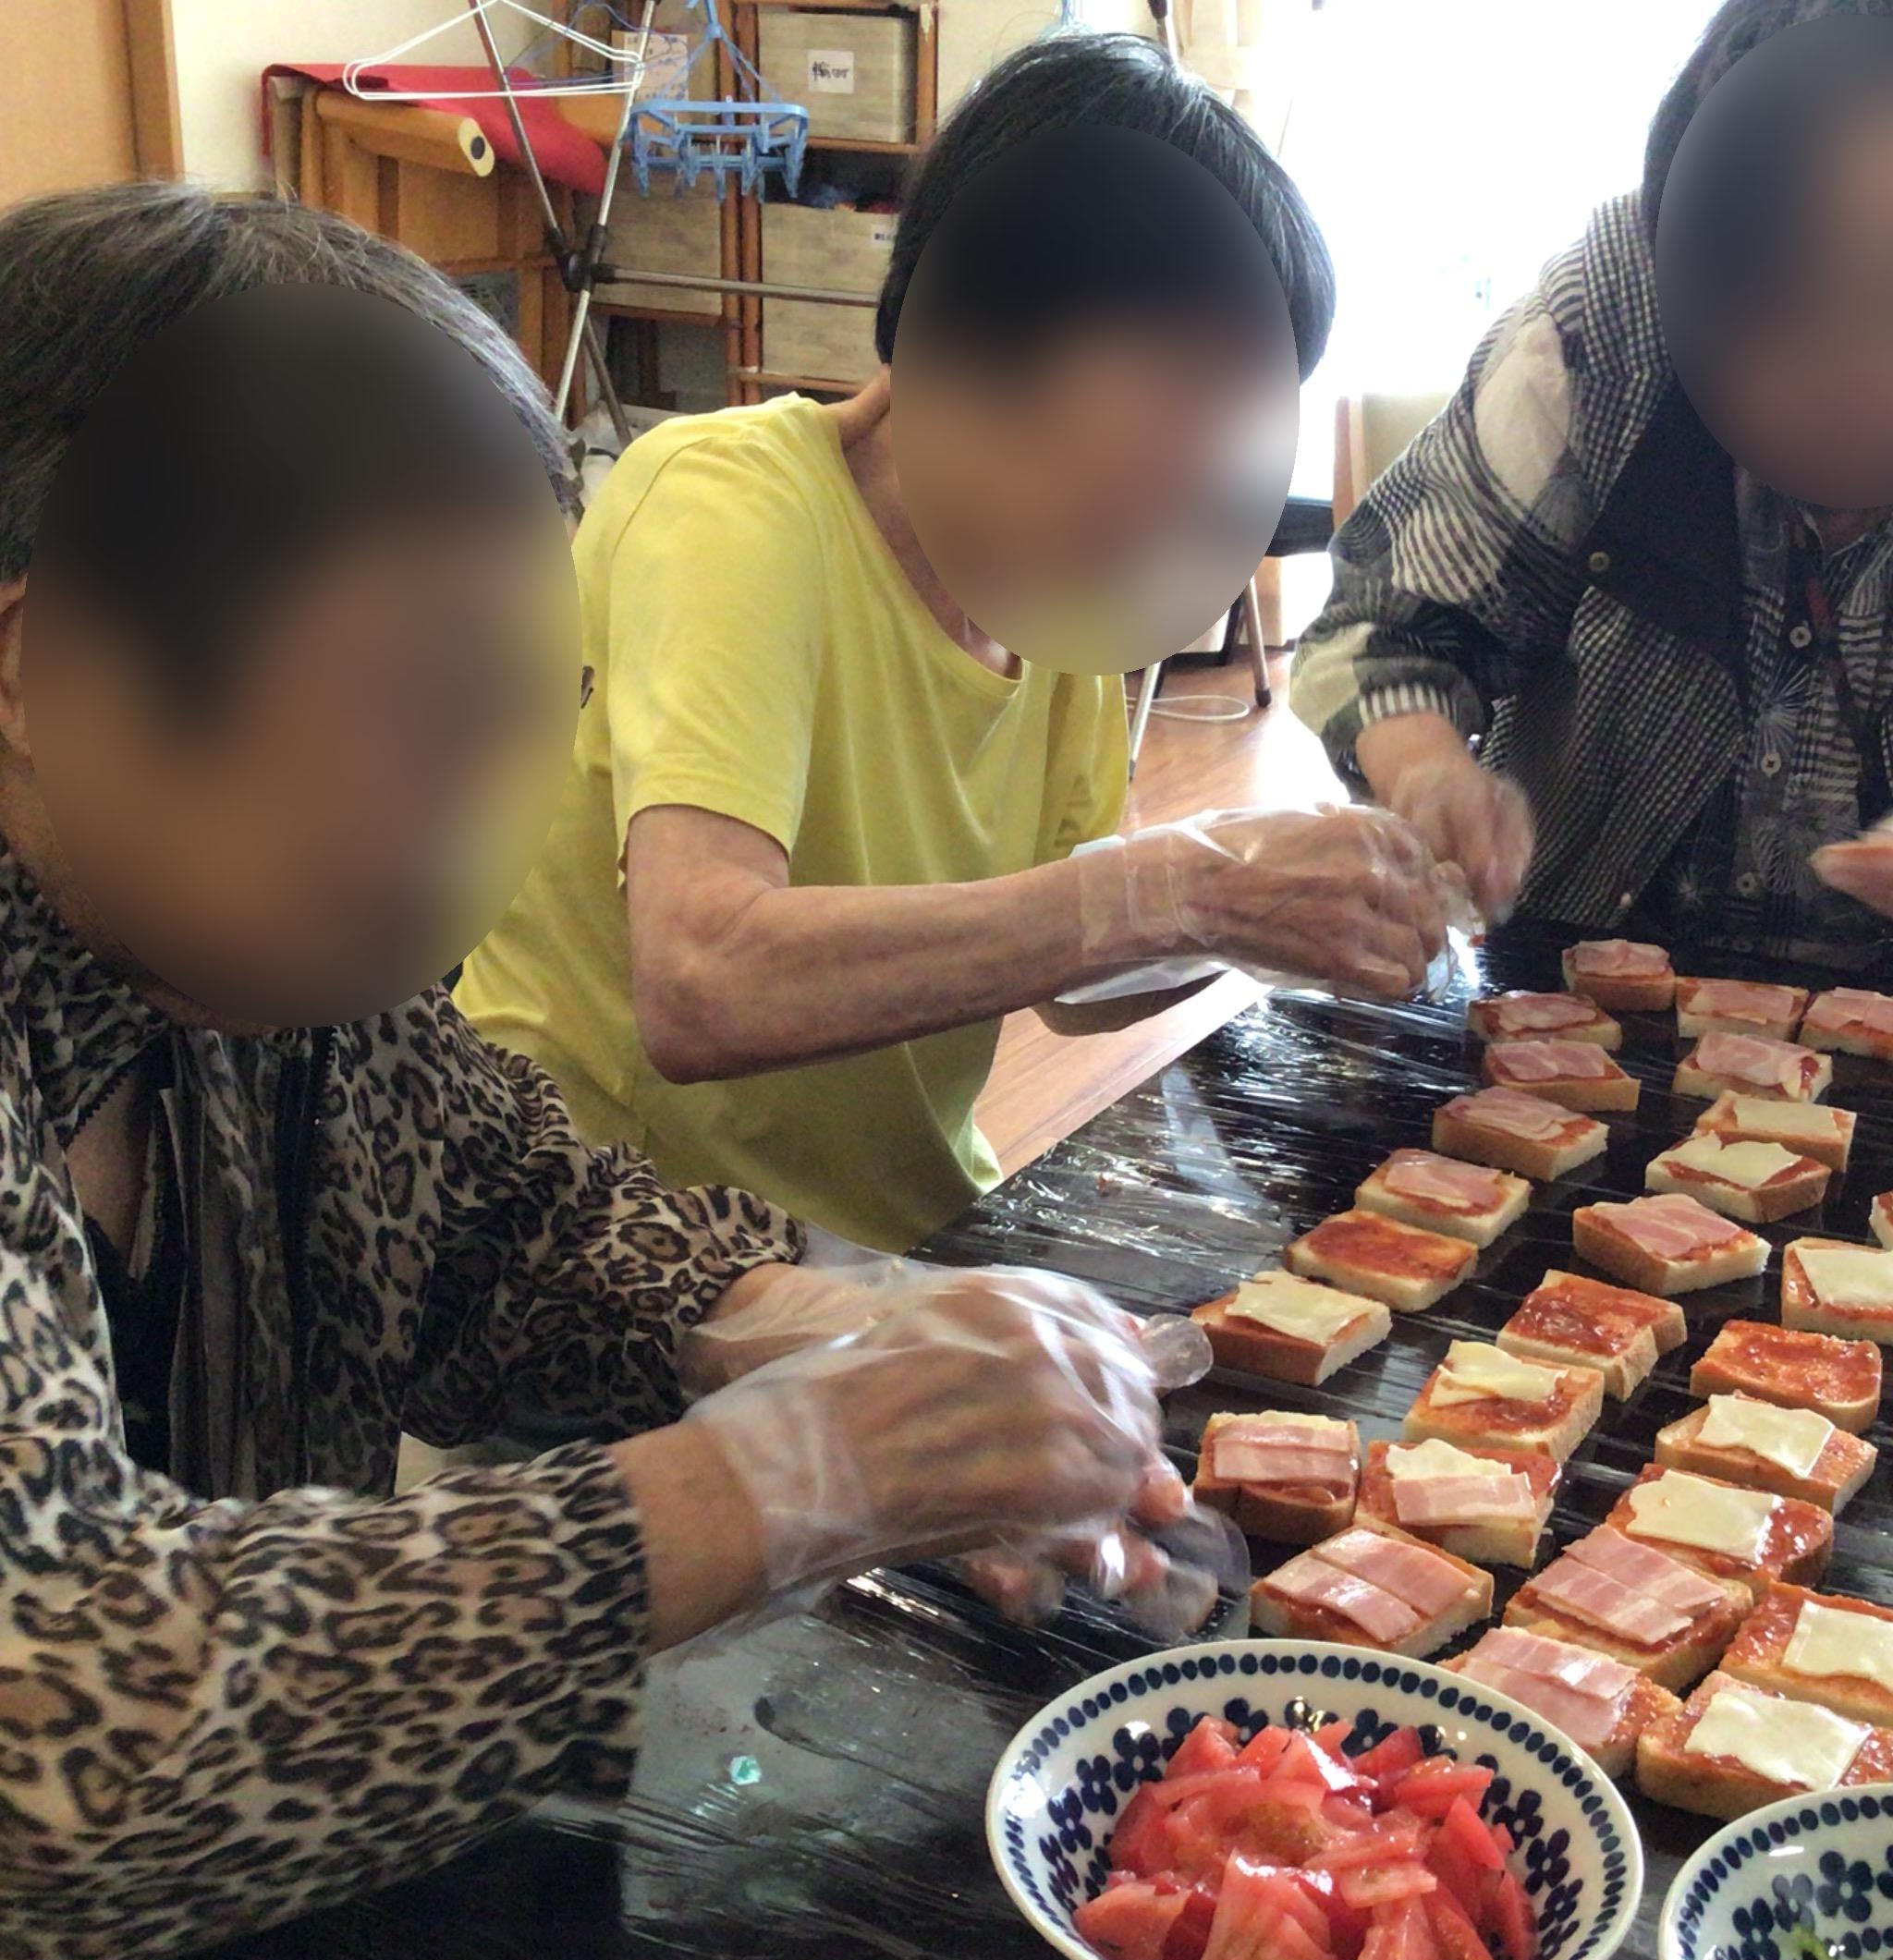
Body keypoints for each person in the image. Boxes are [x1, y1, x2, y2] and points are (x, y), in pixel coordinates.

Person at [0, 183, 1191, 1960]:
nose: (471, 825)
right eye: (407, 710)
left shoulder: (265, 953)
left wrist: (817, 1330)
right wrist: (790, 1480)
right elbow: (52, 1745)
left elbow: (500, 1221)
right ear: (49, 671)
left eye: (517, 716)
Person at [458, 30, 1455, 1254]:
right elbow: (704, 980)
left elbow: (1070, 989)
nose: (1184, 479)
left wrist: (1255, 905)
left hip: (900, 1239)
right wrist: (1177, 888)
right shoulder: (732, 508)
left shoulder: (1062, 595)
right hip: (615, 1251)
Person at [1294, 0, 1893, 1005]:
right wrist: (1427, 772)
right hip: (1582, 981)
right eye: (1786, 298)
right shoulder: (1607, 321)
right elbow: (1386, 624)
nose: (1855, 377)